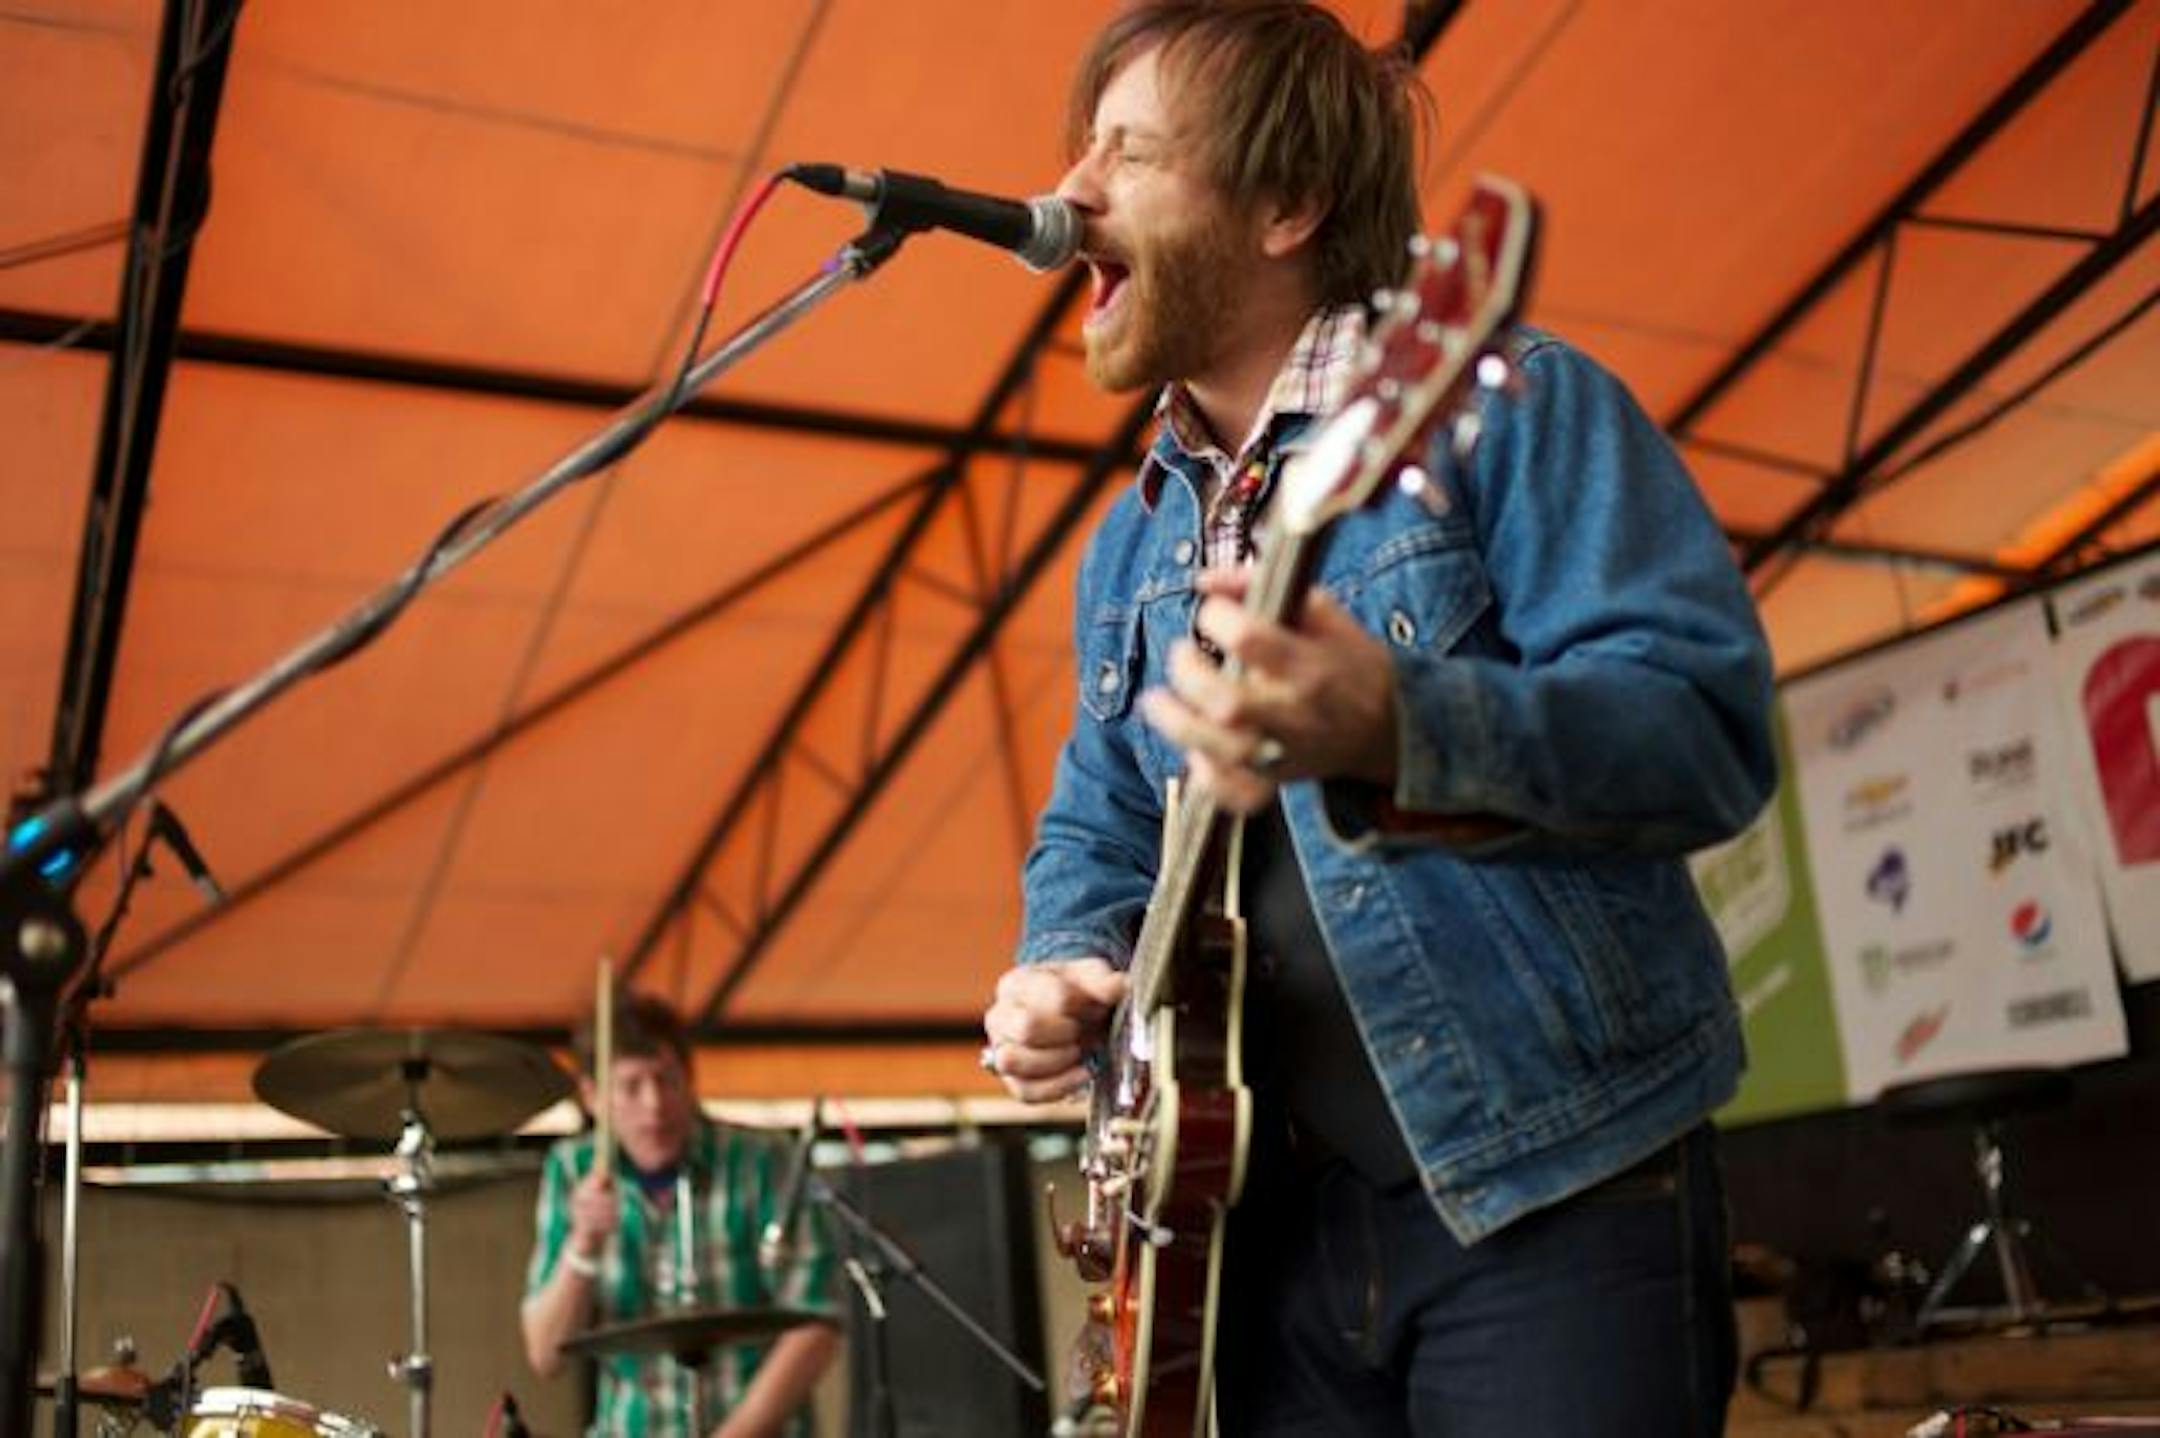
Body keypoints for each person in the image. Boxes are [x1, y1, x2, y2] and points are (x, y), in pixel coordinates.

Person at [978, 3, 1777, 1434]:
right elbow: (1098, 824)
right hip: (1248, 1244)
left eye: (1130, 155)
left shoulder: (1507, 407)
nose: (1071, 193)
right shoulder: (1128, 543)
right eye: (1082, 150)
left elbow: (1700, 730)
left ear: (1287, 204)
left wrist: (1404, 725)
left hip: (1547, 1186)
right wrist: (1060, 967)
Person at [522, 993, 839, 1438]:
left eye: (666, 1079)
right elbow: (545, 1355)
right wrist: (582, 1246)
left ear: (690, 1079)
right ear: (592, 1096)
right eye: (631, 1086)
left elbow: (816, 1321)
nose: (654, 1103)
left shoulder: (762, 1160)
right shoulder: (573, 1169)